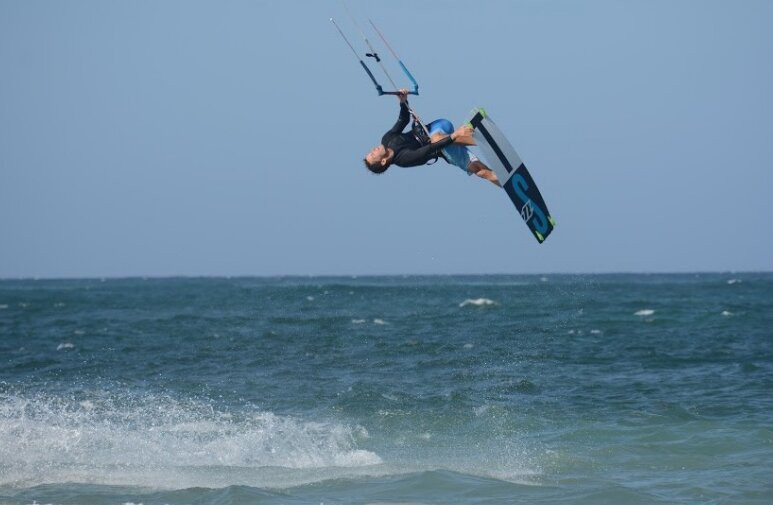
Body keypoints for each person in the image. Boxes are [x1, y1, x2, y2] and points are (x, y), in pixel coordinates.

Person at [363, 90, 499, 186]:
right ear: (383, 162)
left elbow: (403, 120)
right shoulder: (403, 159)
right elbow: (430, 149)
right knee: (481, 171)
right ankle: (506, 182)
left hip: (437, 127)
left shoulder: (386, 139)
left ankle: (483, 141)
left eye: (370, 152)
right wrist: (455, 135)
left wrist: (403, 102)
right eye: (372, 154)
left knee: (435, 138)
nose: (373, 150)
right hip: (441, 147)